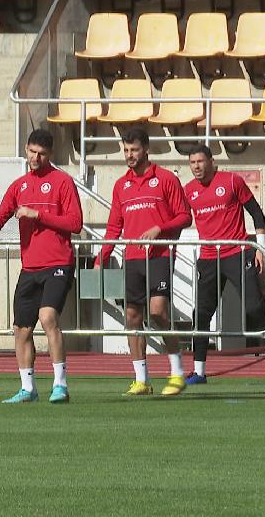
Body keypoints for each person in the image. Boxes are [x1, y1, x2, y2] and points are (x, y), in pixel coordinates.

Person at [0, 129, 83, 404]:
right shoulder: (18, 186)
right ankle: (28, 389)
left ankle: (60, 385)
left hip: (58, 263)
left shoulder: (62, 182)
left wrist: (38, 215)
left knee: (48, 317)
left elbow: (75, 223)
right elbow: (1, 215)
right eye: (32, 152)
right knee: (21, 330)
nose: (35, 158)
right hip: (30, 267)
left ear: (50, 155)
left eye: (42, 154)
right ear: (26, 149)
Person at [94, 128, 191, 397]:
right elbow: (114, 225)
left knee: (158, 311)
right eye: (125, 150)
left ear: (146, 149)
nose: (129, 155)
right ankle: (141, 380)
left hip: (159, 254)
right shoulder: (121, 185)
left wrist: (160, 228)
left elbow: (185, 216)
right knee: (132, 316)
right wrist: (101, 256)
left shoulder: (166, 179)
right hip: (133, 258)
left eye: (134, 150)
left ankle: (177, 373)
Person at [182, 146, 265, 386]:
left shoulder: (231, 181)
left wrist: (260, 249)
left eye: (200, 161)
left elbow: (257, 214)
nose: (196, 167)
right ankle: (199, 371)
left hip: (237, 253)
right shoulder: (188, 190)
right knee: (200, 314)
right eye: (192, 162)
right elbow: (180, 217)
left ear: (211, 161)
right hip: (208, 258)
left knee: (254, 308)